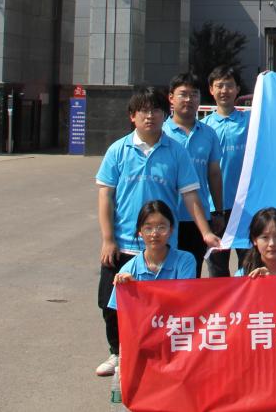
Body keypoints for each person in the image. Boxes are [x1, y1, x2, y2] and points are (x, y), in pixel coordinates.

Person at [94, 86, 220, 378]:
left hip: (162, 246)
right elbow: (105, 196)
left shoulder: (176, 152)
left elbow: (190, 195)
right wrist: (108, 239)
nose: (149, 116)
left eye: (155, 110)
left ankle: (162, 353)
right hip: (123, 244)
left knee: (165, 305)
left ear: (165, 114)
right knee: (110, 302)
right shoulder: (118, 150)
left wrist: (205, 232)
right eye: (143, 111)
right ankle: (117, 353)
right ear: (132, 116)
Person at [163, 71, 224, 278]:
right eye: (183, 94)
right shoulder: (161, 133)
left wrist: (218, 212)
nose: (189, 99)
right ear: (171, 97)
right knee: (163, 274)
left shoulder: (208, 134)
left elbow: (214, 174)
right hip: (165, 217)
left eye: (194, 94)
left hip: (198, 218)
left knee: (191, 274)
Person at [107, 200, 199, 309]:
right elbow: (123, 313)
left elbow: (185, 298)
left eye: (161, 227)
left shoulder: (186, 260)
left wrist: (138, 287)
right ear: (140, 232)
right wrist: (124, 284)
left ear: (171, 230)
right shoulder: (128, 270)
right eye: (148, 228)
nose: (154, 234)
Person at [203, 66, 250, 278]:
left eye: (229, 85)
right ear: (211, 90)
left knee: (248, 265)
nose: (224, 90)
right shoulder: (203, 127)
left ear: (238, 89)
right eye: (219, 86)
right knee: (217, 267)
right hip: (214, 208)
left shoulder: (250, 122)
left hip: (245, 207)